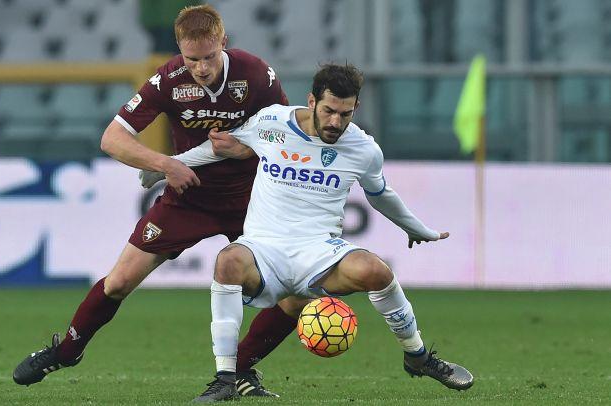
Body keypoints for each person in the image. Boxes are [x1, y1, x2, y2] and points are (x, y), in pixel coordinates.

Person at [12, 5, 305, 397]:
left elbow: (289, 138)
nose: (200, 68)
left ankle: (240, 368)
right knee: (118, 282)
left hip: (253, 200)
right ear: (179, 50)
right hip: (188, 198)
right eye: (192, 58)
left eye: (208, 57)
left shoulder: (256, 75)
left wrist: (243, 151)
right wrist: (166, 164)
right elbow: (111, 139)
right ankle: (66, 351)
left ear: (224, 43)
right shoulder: (169, 80)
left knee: (297, 294)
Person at [167, 64, 474, 402]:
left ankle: (418, 357)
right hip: (263, 248)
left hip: (319, 253)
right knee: (228, 261)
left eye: (345, 113)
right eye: (329, 111)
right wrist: (168, 166)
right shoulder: (272, 121)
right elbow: (222, 146)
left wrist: (416, 228)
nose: (335, 122)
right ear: (312, 101)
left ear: (354, 108)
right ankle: (225, 379)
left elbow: (381, 194)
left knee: (376, 271)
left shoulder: (364, 149)